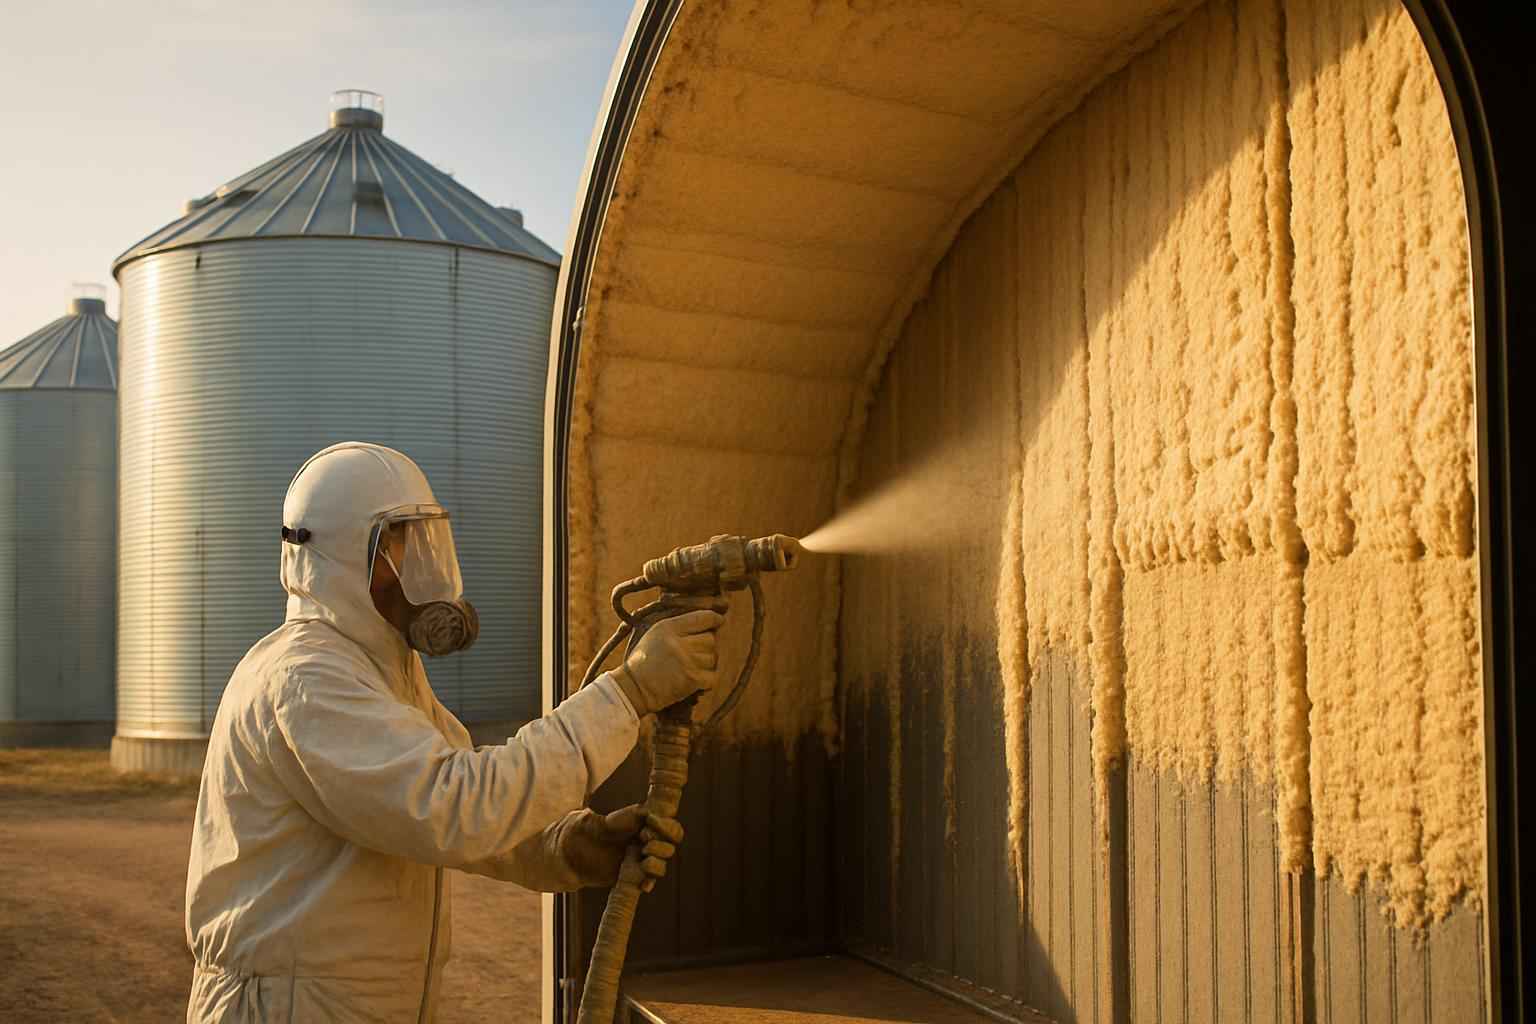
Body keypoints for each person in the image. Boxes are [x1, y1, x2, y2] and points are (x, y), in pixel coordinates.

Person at [185, 442, 722, 1022]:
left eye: (425, 541)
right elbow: (456, 808)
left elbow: (444, 802)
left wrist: (563, 847)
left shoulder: (377, 667)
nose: (422, 568)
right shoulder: (307, 680)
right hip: (286, 1009)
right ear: (346, 558)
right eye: (400, 546)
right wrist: (630, 692)